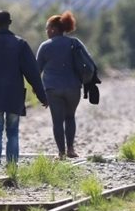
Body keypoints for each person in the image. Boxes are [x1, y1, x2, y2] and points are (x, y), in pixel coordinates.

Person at [0, 10, 48, 177]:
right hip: (13, 95)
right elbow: (32, 73)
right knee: (13, 130)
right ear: (10, 22)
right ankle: (12, 165)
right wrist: (42, 95)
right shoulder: (19, 43)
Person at [36, 11, 94, 159]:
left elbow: (36, 71)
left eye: (47, 28)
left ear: (54, 29)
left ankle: (61, 153)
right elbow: (88, 62)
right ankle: (71, 149)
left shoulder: (45, 46)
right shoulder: (74, 43)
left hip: (53, 89)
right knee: (70, 117)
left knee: (57, 121)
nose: (46, 31)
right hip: (73, 87)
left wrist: (39, 92)